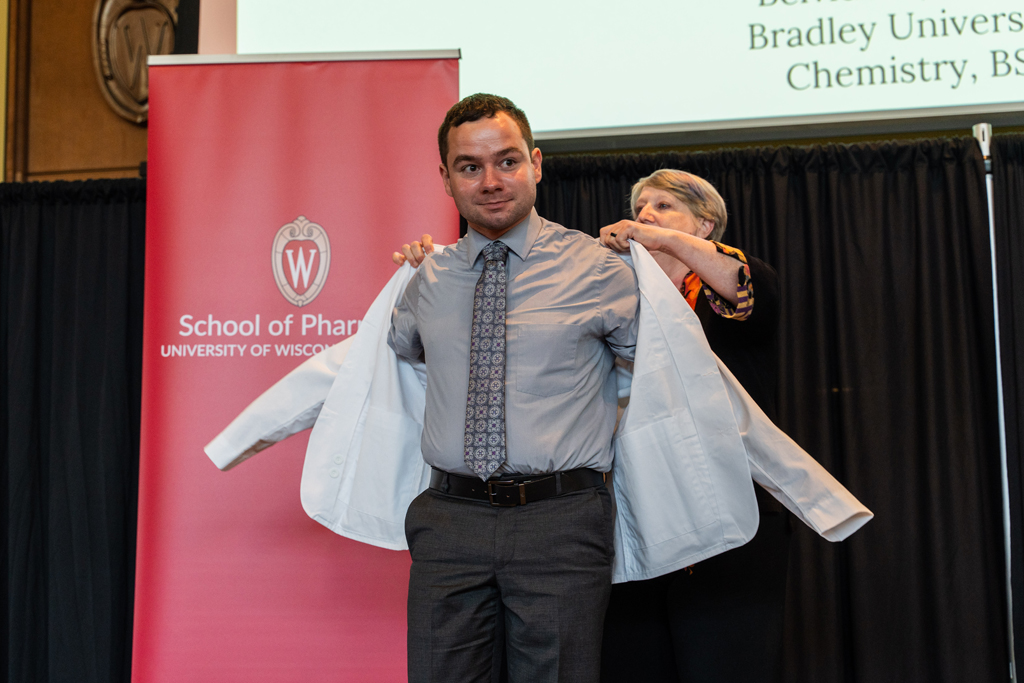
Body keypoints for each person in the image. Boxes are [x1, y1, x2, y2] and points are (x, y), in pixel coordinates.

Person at [387, 93, 640, 683]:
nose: (492, 180)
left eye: (507, 161)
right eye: (470, 167)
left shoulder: (600, 270)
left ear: (538, 163)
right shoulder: (427, 279)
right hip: (448, 520)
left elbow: (659, 375)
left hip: (561, 521)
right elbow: (398, 360)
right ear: (446, 178)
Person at [597, 170, 790, 683]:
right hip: (637, 514)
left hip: (732, 515)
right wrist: (431, 260)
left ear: (704, 227)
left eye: (663, 206)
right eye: (641, 208)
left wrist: (658, 239)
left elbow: (746, 289)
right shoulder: (615, 297)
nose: (645, 216)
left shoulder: (724, 290)